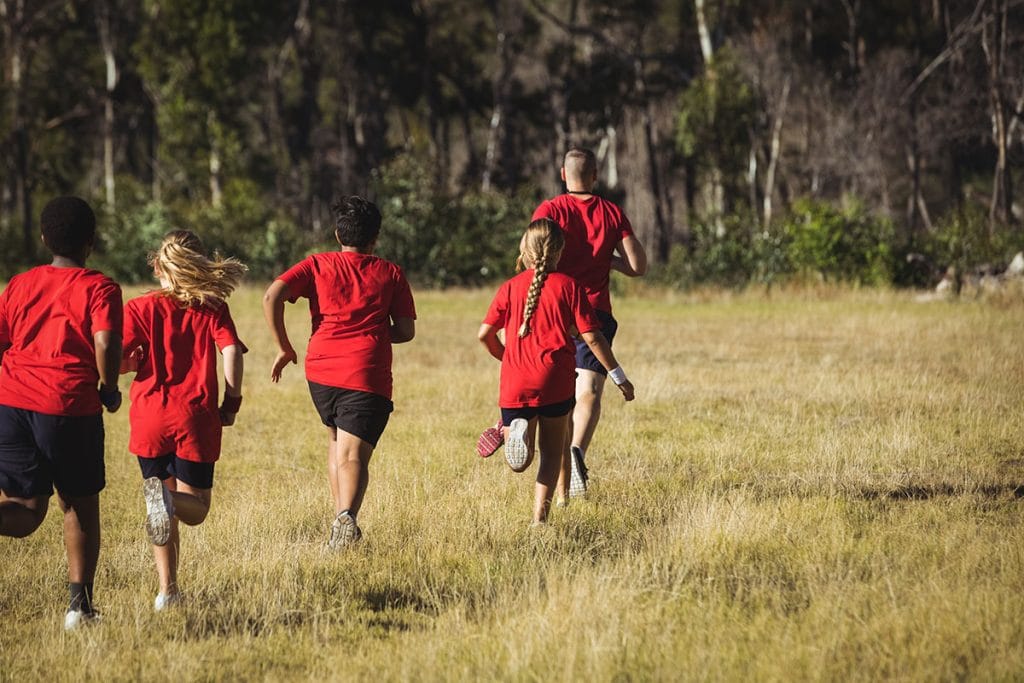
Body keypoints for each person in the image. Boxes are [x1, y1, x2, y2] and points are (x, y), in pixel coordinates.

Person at [477, 148, 647, 499]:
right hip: (594, 311)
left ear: (562, 174)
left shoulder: (550, 210)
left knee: (550, 388)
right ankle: (577, 450)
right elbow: (638, 266)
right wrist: (607, 262)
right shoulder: (612, 212)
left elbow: (531, 250)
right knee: (588, 393)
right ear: (596, 175)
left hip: (547, 307)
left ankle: (518, 428)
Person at [263, 195, 416, 549]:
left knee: (336, 444)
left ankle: (339, 525)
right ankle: (346, 516)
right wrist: (374, 334)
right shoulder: (390, 272)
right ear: (375, 238)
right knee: (352, 455)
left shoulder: (317, 265)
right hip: (365, 373)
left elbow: (272, 295)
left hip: (321, 373)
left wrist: (284, 347)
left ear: (337, 235)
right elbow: (406, 331)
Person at [0, 196, 123, 630]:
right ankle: (80, 608)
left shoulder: (18, 283)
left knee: (25, 509)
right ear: (90, 242)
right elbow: (106, 343)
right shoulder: (100, 287)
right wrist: (109, 388)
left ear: (43, 238)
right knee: (79, 505)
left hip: (12, 404)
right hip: (68, 405)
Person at [120, 230, 246, 611]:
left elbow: (119, 360)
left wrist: (135, 361)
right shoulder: (213, 307)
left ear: (158, 266)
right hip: (194, 417)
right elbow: (231, 352)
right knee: (195, 507)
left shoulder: (139, 309)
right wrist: (233, 400)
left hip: (150, 418)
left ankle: (167, 591)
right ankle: (168, 503)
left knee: (162, 509)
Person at [478, 219, 634, 526]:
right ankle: (540, 519)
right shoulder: (570, 287)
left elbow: (484, 334)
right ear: (559, 253)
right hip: (555, 380)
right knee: (550, 453)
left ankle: (513, 428)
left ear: (524, 250)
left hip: (515, 381)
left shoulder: (508, 289)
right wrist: (618, 376)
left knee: (519, 464)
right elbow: (592, 337)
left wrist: (506, 357)